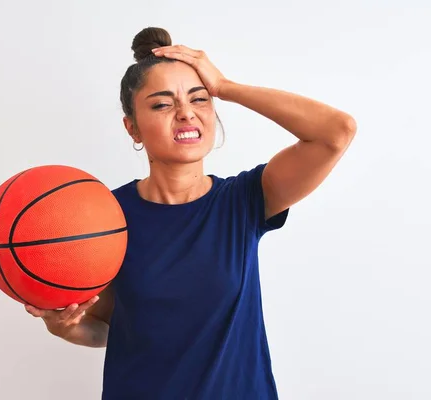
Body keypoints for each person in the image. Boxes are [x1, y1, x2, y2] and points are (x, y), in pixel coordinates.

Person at [25, 27, 356, 399]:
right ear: (132, 127)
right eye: (162, 104)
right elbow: (110, 330)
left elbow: (336, 132)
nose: (186, 114)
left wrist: (226, 86)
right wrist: (65, 327)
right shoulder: (105, 218)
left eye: (200, 100)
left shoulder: (244, 200)